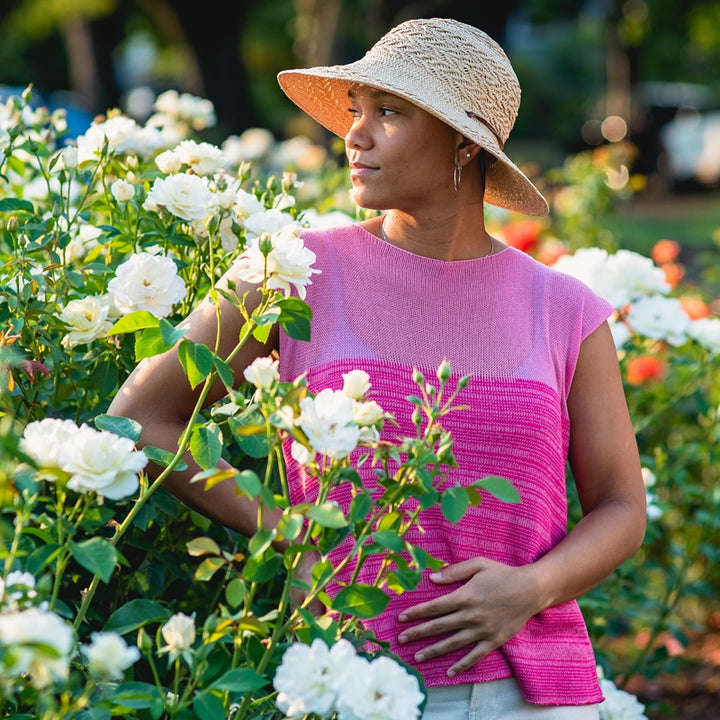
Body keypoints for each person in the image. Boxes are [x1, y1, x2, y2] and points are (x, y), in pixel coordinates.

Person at [108, 17, 647, 720]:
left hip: (532, 692)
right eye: (356, 111)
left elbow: (621, 507)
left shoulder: (566, 308)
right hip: (349, 676)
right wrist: (286, 529)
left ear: (463, 140)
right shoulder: (295, 270)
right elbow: (138, 417)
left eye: (387, 113)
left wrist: (533, 587)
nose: (355, 135)